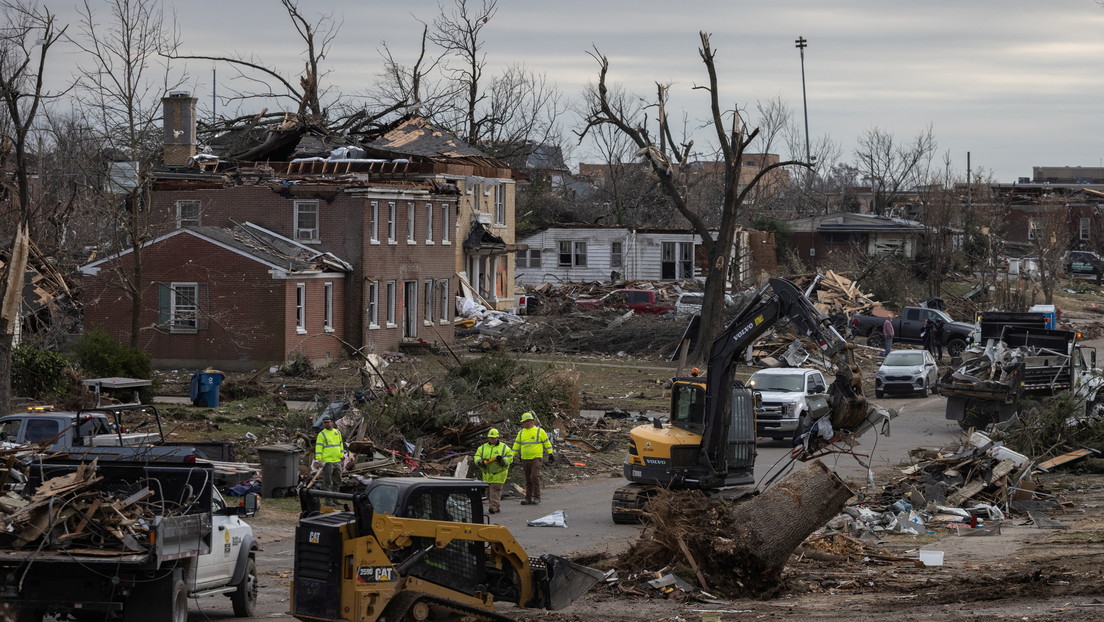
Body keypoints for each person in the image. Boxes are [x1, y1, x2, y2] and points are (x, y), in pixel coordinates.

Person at [512, 411, 554, 505]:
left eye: (525, 422)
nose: (523, 424)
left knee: (534, 476)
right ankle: (528, 498)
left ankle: (536, 497)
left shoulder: (539, 431)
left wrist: (550, 453)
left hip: (536, 458)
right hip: (525, 459)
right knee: (528, 479)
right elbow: (516, 446)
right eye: (523, 422)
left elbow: (547, 443)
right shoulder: (521, 433)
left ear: (530, 421)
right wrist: (511, 457)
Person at [474, 428, 514, 514]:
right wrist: (479, 462)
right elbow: (477, 456)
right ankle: (496, 506)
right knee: (488, 492)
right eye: (490, 438)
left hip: (499, 473)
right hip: (487, 474)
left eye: (493, 438)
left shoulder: (504, 447)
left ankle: (493, 507)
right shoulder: (483, 448)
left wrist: (503, 461)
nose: (492, 439)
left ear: (497, 438)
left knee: (495, 491)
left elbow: (510, 457)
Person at [313, 416, 346, 492]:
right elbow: (318, 448)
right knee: (328, 481)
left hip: (337, 460)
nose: (326, 424)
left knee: (337, 481)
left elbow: (340, 444)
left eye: (328, 422)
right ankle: (329, 500)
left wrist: (342, 455)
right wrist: (319, 459)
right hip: (327, 461)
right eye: (325, 423)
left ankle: (336, 498)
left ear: (332, 422)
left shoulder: (337, 432)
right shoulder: (322, 434)